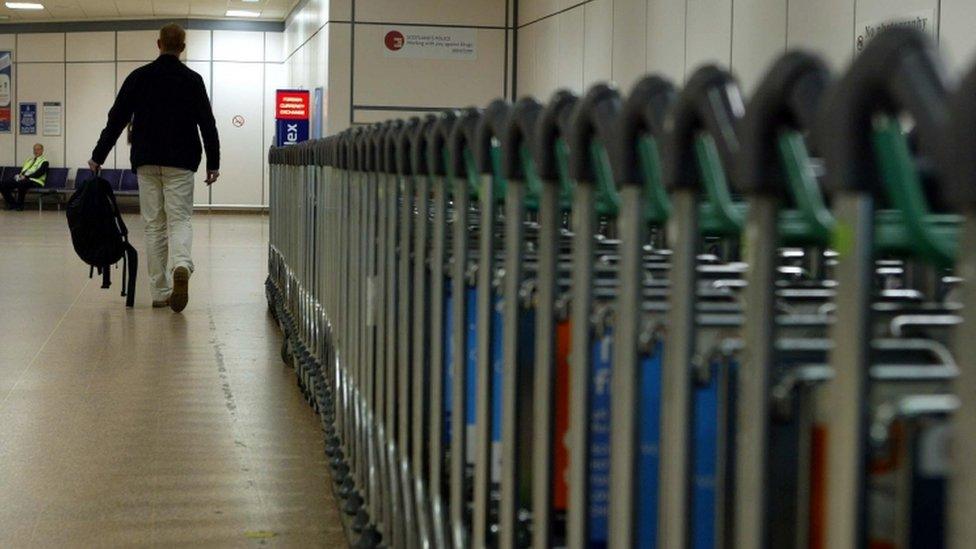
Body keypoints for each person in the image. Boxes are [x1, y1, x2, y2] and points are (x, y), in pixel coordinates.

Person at [89, 23, 220, 312]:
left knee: (153, 225)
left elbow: (116, 120)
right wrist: (213, 162)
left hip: (146, 160)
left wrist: (98, 156)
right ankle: (182, 265)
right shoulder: (192, 79)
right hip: (182, 162)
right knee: (180, 219)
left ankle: (160, 292)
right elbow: (207, 123)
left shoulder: (139, 77)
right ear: (182, 48)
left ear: (158, 44)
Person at [1, 143, 48, 211]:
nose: (36, 151)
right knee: (3, 184)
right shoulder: (29, 160)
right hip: (24, 179)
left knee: (22, 183)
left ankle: (20, 206)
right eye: (34, 149)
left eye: (38, 149)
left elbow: (39, 173)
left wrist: (26, 177)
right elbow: (23, 171)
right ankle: (13, 204)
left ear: (42, 150)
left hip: (36, 181)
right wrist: (19, 176)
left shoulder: (45, 162)